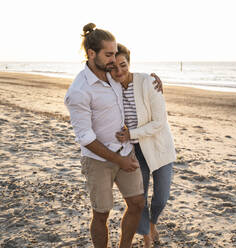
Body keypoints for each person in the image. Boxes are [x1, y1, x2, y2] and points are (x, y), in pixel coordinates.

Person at [64, 23, 162, 248]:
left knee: (137, 203)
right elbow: (85, 138)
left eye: (115, 52)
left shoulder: (113, 75)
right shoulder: (79, 91)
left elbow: (134, 82)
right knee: (101, 213)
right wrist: (119, 161)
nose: (113, 59)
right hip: (98, 160)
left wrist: (154, 82)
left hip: (125, 152)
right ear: (91, 54)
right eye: (108, 54)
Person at [112, 43, 176, 248]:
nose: (119, 71)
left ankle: (152, 221)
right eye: (114, 67)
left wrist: (132, 133)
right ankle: (147, 235)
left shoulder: (147, 82)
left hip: (158, 147)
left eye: (123, 65)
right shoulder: (111, 87)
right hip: (133, 151)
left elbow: (159, 121)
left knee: (161, 197)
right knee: (140, 199)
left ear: (129, 63)